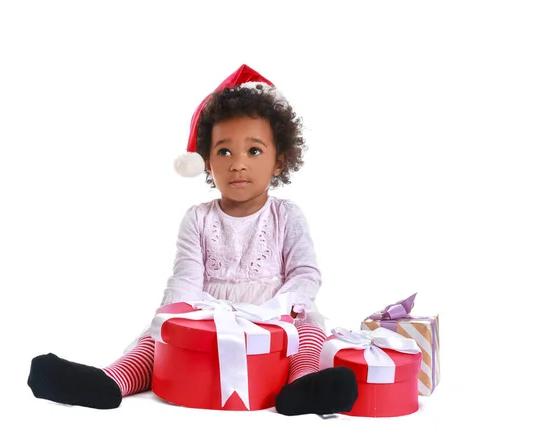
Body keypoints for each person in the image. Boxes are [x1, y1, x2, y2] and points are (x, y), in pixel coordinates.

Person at [27, 64, 358, 416]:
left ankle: (303, 386)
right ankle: (110, 381)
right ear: (207, 161)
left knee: (307, 334)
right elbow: (186, 277)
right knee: (156, 339)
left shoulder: (286, 216)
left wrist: (278, 309)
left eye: (255, 151)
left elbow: (306, 275)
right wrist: (169, 317)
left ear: (280, 161)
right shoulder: (198, 218)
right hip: (208, 314)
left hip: (275, 315)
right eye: (224, 152)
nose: (238, 164)